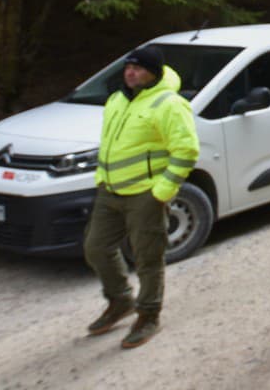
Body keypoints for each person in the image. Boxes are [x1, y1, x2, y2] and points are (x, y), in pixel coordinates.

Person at [83, 44, 200, 349]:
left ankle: (148, 315)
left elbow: (186, 150)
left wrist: (161, 192)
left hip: (145, 195)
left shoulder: (169, 104)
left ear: (154, 72)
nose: (130, 72)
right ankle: (121, 300)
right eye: (128, 67)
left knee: (148, 258)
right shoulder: (116, 99)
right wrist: (101, 178)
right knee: (96, 248)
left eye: (138, 68)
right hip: (110, 190)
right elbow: (109, 143)